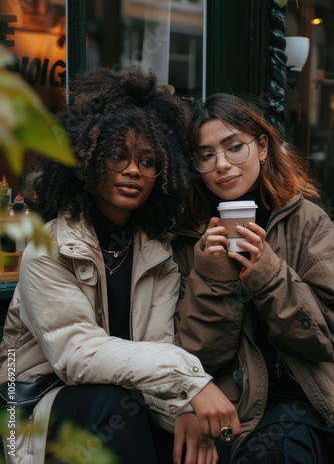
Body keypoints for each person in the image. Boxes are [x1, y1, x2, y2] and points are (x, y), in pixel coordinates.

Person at [0, 68, 240, 464]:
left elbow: (152, 354)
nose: (134, 170)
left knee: (204, 436)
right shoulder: (49, 248)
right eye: (118, 156)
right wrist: (191, 382)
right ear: (87, 161)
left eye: (148, 161)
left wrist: (185, 410)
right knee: (115, 407)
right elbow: (76, 355)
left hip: (119, 403)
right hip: (29, 410)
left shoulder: (158, 256)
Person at [172, 93, 334, 463]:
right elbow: (196, 357)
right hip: (232, 407)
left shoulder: (307, 221)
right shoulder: (188, 240)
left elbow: (324, 338)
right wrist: (213, 278)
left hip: (304, 401)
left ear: (262, 147)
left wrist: (267, 272)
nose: (222, 165)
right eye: (206, 154)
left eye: (234, 147)